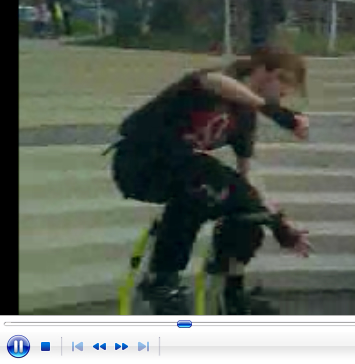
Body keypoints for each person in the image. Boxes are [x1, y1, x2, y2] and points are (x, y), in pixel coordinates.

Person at [107, 45, 312, 315]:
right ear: (264, 71)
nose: (283, 95)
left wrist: (277, 223)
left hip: (180, 169)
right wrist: (275, 113)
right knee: (204, 177)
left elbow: (247, 175)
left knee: (248, 205)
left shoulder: (244, 118)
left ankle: (231, 289)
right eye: (283, 85)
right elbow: (213, 80)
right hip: (140, 161)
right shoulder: (215, 85)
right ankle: (162, 279)